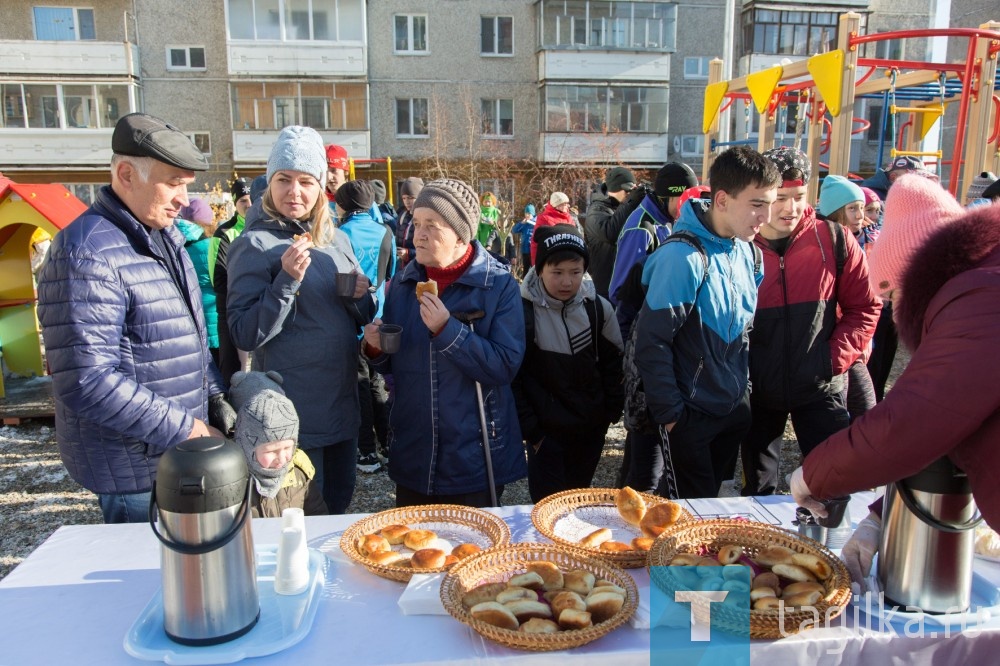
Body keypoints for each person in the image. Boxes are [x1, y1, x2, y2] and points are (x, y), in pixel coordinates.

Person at [791, 175, 1000, 585]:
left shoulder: (980, 297)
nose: (894, 309)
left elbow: (918, 417)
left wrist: (812, 475)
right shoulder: (982, 283)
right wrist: (882, 515)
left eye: (895, 295)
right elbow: (952, 423)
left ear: (920, 277)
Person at [36, 113, 235, 524]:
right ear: (126, 174)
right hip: (135, 469)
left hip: (170, 454)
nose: (184, 198)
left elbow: (188, 341)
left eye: (187, 184)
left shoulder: (163, 237)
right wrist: (186, 430)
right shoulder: (85, 252)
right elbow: (87, 379)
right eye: (174, 183)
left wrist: (214, 396)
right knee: (152, 581)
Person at [227, 126, 376, 514]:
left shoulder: (336, 240)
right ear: (270, 183)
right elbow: (245, 332)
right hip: (292, 415)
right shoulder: (252, 245)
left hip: (342, 404)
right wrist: (286, 281)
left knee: (340, 503)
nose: (295, 191)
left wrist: (362, 297)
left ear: (321, 187)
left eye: (306, 181)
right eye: (284, 179)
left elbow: (361, 314)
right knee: (304, 517)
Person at [361, 178, 527, 508]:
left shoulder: (497, 286)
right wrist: (376, 347)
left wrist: (447, 330)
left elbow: (505, 364)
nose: (416, 234)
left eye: (431, 226)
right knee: (416, 553)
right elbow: (393, 364)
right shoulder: (405, 283)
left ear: (460, 234)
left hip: (474, 456)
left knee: (473, 555)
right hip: (414, 453)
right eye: (416, 223)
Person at [633, 146, 779, 499]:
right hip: (689, 417)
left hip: (731, 410)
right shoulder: (681, 257)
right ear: (724, 200)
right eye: (758, 203)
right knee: (688, 515)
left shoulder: (748, 252)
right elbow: (651, 343)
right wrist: (672, 416)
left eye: (770, 203)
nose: (767, 215)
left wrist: (742, 400)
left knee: (708, 508)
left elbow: (744, 333)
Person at [740, 149, 880, 496]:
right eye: (781, 198)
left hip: (820, 387)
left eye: (799, 197)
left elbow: (865, 307)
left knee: (834, 486)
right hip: (758, 390)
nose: (790, 208)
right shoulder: (739, 244)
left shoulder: (834, 239)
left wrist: (831, 361)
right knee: (758, 489)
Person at [514, 224, 624, 502]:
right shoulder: (522, 312)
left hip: (590, 431)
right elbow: (513, 378)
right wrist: (533, 433)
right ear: (540, 270)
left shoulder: (597, 309)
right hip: (545, 436)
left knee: (577, 502)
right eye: (557, 272)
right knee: (547, 508)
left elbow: (614, 366)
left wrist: (609, 413)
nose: (566, 282)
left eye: (575, 272)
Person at [335, 180, 396, 474]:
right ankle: (388, 444)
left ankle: (367, 452)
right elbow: (391, 271)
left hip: (350, 320)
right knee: (377, 382)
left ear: (343, 205)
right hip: (379, 316)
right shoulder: (385, 231)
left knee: (358, 384)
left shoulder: (339, 233)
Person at [816, 175, 880, 422]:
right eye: (852, 208)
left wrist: (862, 341)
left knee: (865, 408)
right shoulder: (828, 245)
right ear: (835, 212)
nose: (859, 215)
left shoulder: (861, 240)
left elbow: (865, 302)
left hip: (850, 342)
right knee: (837, 413)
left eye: (862, 208)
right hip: (833, 343)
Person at [230, 370, 328, 517]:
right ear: (247, 444)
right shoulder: (233, 479)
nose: (282, 458)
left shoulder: (298, 471)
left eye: (288, 448)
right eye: (271, 451)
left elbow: (317, 513)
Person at [213, 178, 252, 384]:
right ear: (235, 204)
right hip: (231, 307)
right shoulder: (224, 232)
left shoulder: (265, 228)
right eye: (243, 201)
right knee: (233, 371)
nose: (249, 205)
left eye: (253, 200)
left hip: (259, 305)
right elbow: (217, 279)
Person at [583, 166, 643, 299]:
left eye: (632, 191)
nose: (629, 194)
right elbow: (611, 233)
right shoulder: (596, 210)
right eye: (627, 190)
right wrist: (631, 202)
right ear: (615, 189)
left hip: (623, 284)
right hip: (605, 287)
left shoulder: (623, 207)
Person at [175, 198, 220, 365]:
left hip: (184, 319)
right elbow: (221, 282)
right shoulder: (211, 245)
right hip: (213, 319)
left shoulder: (169, 241)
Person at [859, 155, 931, 201]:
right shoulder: (872, 196)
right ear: (893, 177)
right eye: (911, 180)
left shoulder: (896, 193)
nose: (917, 184)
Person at [529, 192, 574, 263]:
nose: (568, 206)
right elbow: (536, 243)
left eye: (567, 203)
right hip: (551, 260)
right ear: (557, 205)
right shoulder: (544, 218)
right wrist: (536, 264)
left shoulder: (569, 218)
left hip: (569, 258)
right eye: (565, 204)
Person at [395, 176, 424, 269]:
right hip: (403, 267)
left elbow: (429, 249)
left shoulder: (424, 218)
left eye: (411, 197)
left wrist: (409, 253)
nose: (407, 202)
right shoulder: (402, 215)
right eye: (404, 198)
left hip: (419, 267)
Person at [511, 203, 536, 273]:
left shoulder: (536, 223)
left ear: (532, 214)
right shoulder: (524, 224)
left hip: (532, 250)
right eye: (526, 213)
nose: (527, 215)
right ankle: (525, 283)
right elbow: (514, 230)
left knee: (533, 269)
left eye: (529, 214)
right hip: (525, 250)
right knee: (526, 268)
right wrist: (521, 223)